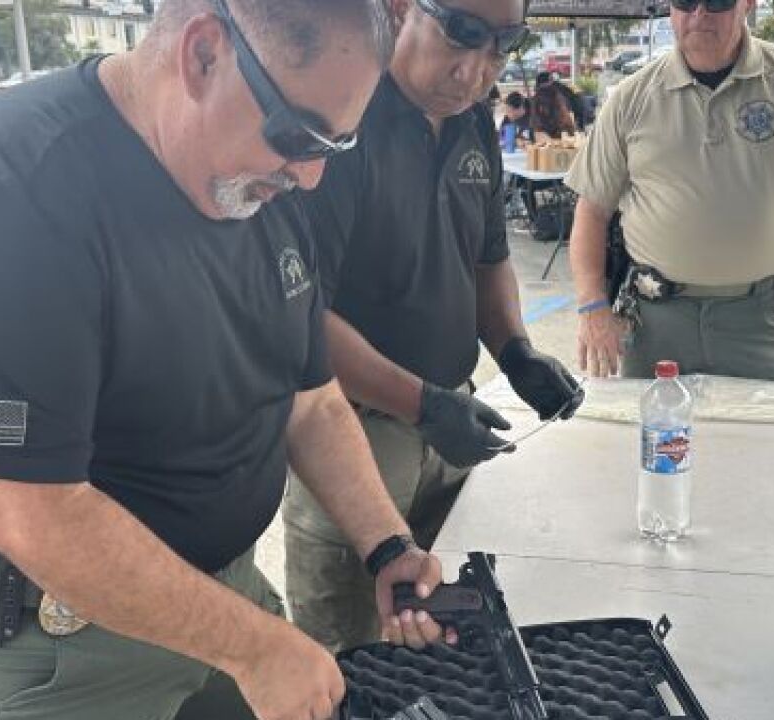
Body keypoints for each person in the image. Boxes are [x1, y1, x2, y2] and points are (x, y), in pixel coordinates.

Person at [0, 1, 449, 719]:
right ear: (203, 54)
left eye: (335, 145)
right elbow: (28, 511)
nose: (309, 177)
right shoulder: (6, 189)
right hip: (50, 647)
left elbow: (310, 401)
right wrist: (254, 649)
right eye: (300, 136)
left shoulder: (260, 186)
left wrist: (387, 544)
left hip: (218, 601)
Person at [284, 0, 582, 654]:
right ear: (400, 9)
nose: (474, 71)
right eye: (460, 35)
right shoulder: (342, 117)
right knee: (346, 661)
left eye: (502, 46)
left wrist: (515, 350)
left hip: (452, 426)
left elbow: (488, 258)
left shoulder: (473, 122)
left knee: (451, 645)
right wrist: (419, 403)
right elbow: (298, 317)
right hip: (352, 434)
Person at [567, 0, 774, 392]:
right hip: (654, 321)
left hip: (759, 320)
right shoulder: (631, 97)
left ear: (748, 5)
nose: (700, 12)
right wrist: (592, 305)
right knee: (657, 431)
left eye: (718, 0)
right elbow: (592, 210)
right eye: (685, 1)